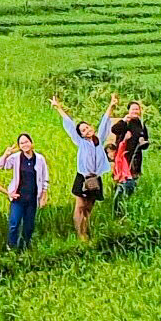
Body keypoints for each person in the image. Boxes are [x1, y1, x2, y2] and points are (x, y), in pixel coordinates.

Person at [51, 96, 112, 243]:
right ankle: (80, 235)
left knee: (89, 207)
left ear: (91, 127)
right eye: (83, 130)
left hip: (95, 178)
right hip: (82, 177)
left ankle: (86, 231)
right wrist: (58, 107)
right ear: (81, 135)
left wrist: (111, 104)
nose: (87, 130)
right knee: (80, 205)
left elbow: (104, 122)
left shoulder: (99, 140)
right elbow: (70, 125)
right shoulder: (81, 142)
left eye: (87, 127)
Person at [0, 133, 49, 251]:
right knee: (14, 224)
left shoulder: (40, 159)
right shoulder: (16, 158)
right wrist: (6, 154)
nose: (25, 145)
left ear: (31, 143)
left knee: (29, 226)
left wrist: (43, 196)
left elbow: (45, 179)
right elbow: (0, 166)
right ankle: (11, 247)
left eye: (26, 142)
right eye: (22, 143)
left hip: (32, 198)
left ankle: (25, 247)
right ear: (19, 146)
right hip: (18, 197)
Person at [107, 95, 149, 205]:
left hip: (136, 159)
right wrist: (124, 120)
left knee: (132, 184)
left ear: (140, 111)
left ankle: (127, 206)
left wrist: (143, 142)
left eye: (137, 109)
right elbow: (114, 130)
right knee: (122, 184)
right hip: (123, 159)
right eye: (133, 109)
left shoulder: (141, 124)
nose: (135, 111)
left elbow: (146, 143)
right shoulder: (126, 122)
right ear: (128, 111)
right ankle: (117, 208)